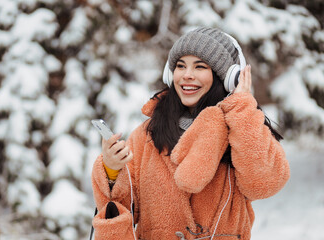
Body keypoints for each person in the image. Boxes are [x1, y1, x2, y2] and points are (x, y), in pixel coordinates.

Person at [91, 27, 290, 240]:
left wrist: (241, 108)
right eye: (180, 66)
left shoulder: (242, 126)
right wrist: (112, 169)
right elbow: (124, 209)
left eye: (200, 66)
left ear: (226, 77)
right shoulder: (147, 134)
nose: (187, 75)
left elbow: (264, 184)